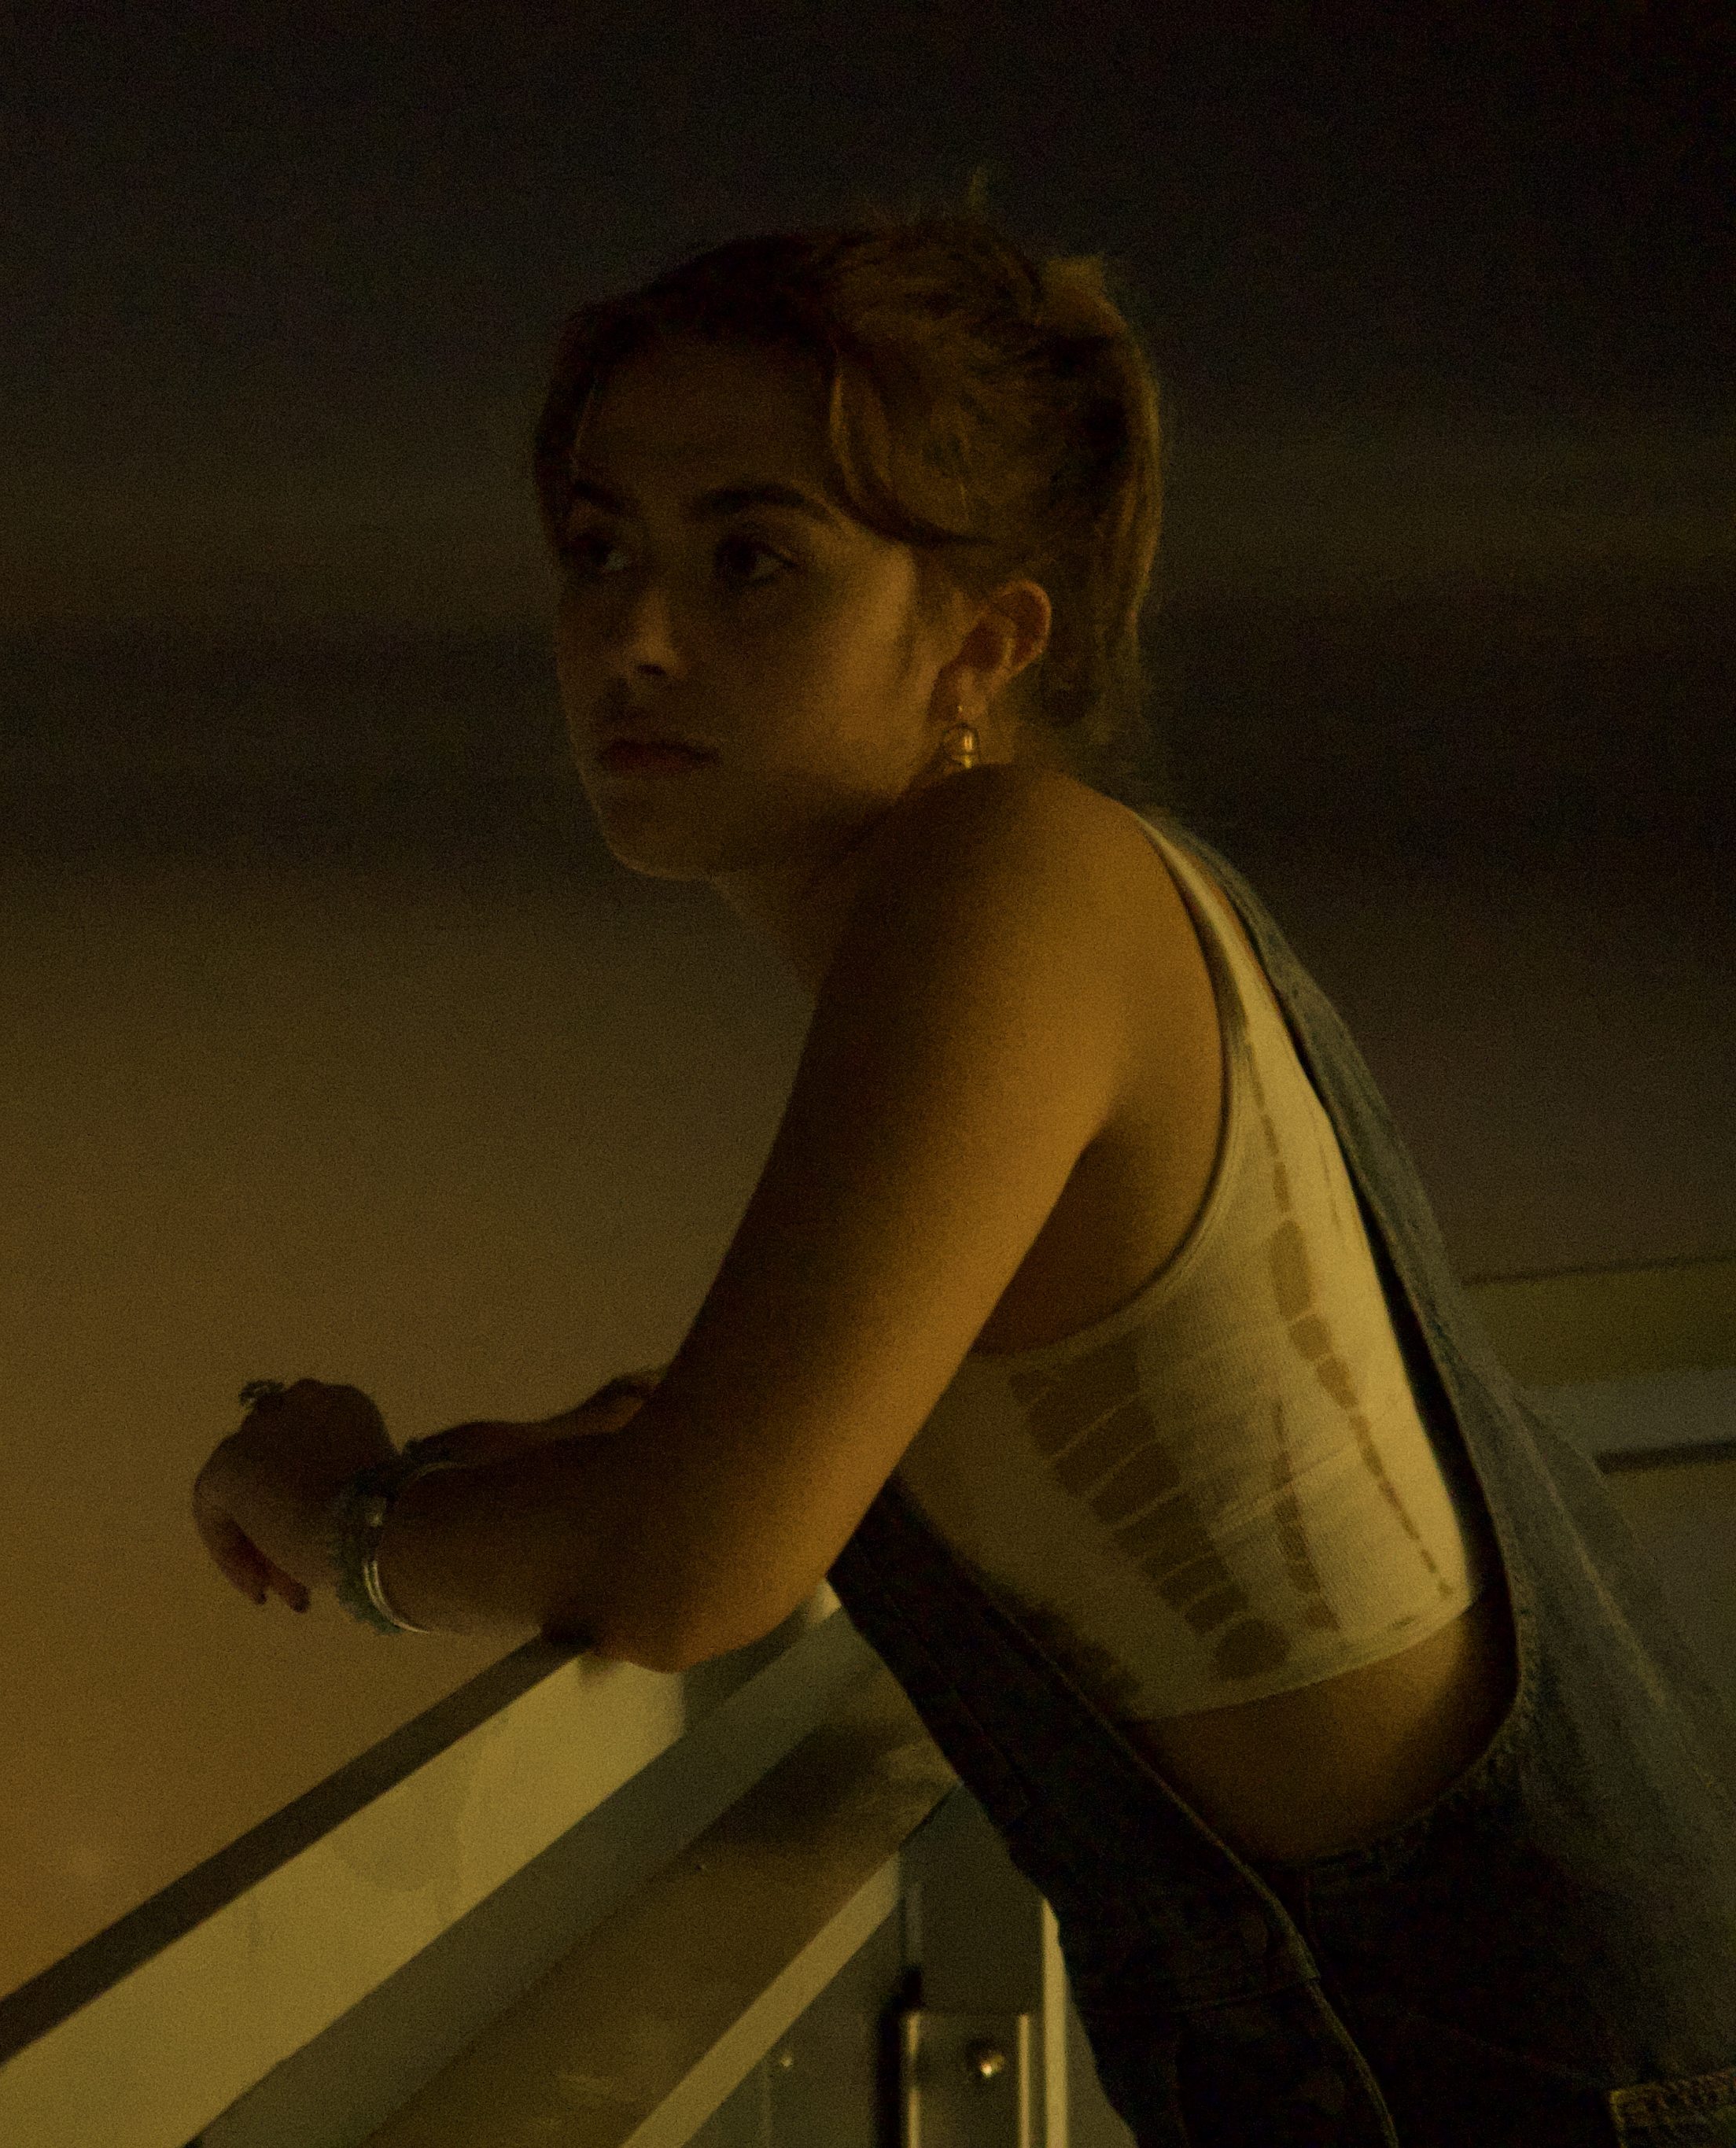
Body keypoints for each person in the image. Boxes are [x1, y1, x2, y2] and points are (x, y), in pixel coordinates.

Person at [189, 193, 1736, 2147]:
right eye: (597, 548)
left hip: (1494, 2092)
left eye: (749, 558)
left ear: (981, 642)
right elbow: (904, 1433)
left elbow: (698, 1561)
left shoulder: (1009, 881)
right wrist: (623, 1449)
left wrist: (341, 1511)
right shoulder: (1083, 892)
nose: (631, 635)